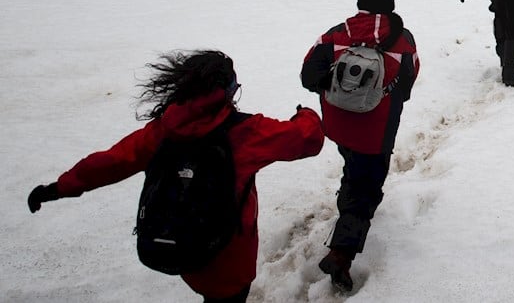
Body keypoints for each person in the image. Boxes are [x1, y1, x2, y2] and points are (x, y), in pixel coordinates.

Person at [27, 50, 324, 303]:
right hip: (230, 259)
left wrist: (58, 188)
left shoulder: (162, 131)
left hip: (183, 251)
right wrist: (306, 114)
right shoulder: (245, 133)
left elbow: (110, 163)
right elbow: (308, 139)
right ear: (228, 92)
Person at [300, 0, 420, 293]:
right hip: (377, 131)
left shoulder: (336, 34)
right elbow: (408, 83)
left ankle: (347, 209)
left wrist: (339, 91)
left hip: (338, 127)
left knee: (354, 170)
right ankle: (342, 253)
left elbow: (308, 75)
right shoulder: (403, 40)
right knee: (366, 189)